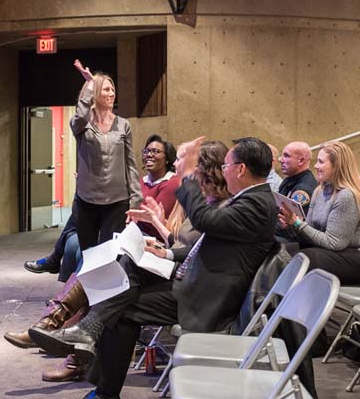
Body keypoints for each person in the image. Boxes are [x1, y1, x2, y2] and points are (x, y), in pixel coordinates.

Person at [46, 137, 278, 399]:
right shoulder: (253, 199)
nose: (224, 169)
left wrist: (189, 178)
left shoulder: (255, 203)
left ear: (240, 169)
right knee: (129, 265)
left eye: (227, 165)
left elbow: (206, 223)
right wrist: (167, 254)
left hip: (207, 300)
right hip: (198, 284)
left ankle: (101, 384)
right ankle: (90, 340)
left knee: (122, 310)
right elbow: (211, 244)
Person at [29, 141, 231, 382]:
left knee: (115, 276)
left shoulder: (207, 203)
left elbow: (191, 246)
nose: (178, 164)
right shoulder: (202, 200)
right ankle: (68, 335)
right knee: (108, 263)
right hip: (177, 267)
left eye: (180, 159)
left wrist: (159, 232)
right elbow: (184, 244)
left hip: (190, 286)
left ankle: (66, 334)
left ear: (200, 166)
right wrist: (159, 234)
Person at [278, 142, 360, 286]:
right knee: (279, 250)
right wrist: (291, 224)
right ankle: (271, 302)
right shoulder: (318, 191)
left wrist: (297, 223)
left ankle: (291, 304)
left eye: (321, 162)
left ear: (337, 166)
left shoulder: (346, 196)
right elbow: (309, 233)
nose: (315, 166)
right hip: (340, 251)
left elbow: (334, 243)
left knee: (307, 258)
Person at [70, 59, 142, 251]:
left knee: (109, 254)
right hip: (86, 200)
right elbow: (79, 117)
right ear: (95, 94)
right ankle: (85, 282)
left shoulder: (123, 124)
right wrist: (90, 83)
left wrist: (136, 200)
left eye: (112, 89)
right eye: (106, 90)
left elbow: (131, 165)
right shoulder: (82, 124)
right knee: (89, 253)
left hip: (117, 202)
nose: (111, 93)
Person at [138, 134, 180, 239]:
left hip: (160, 241)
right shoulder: (140, 182)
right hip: (138, 235)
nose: (149, 155)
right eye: (146, 151)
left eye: (155, 151)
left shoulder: (173, 183)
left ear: (167, 159)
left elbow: (152, 223)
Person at [278, 141, 317, 214]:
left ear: (301, 161)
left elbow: (291, 221)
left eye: (286, 156)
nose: (280, 160)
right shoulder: (289, 179)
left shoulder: (304, 189)